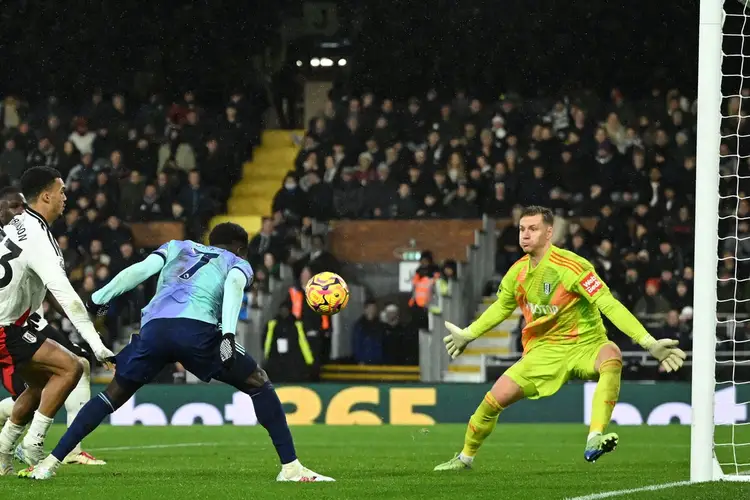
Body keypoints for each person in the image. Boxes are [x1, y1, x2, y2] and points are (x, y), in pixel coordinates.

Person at [20, 223, 334, 482]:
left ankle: (50, 462)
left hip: (155, 329)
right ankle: (291, 467)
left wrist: (101, 295)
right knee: (258, 383)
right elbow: (235, 288)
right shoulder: (237, 262)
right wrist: (226, 333)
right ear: (240, 247)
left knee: (110, 397)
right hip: (196, 331)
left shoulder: (177, 247)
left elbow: (141, 269)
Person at [433, 205, 686, 471]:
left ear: (549, 232)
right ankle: (465, 458)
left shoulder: (573, 267)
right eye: (521, 229)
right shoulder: (517, 272)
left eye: (533, 229)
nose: (524, 235)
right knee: (492, 401)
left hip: (585, 345)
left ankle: (594, 437)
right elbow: (501, 307)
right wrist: (468, 334)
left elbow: (608, 304)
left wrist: (648, 342)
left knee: (612, 356)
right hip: (542, 352)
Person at [0, 167, 113, 475]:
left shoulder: (17, 223)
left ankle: (2, 456)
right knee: (72, 367)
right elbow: (67, 297)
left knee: (38, 383)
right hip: (4, 327)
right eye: (61, 191)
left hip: (14, 321)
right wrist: (96, 342)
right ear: (46, 195)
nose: (66, 197)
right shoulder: (38, 237)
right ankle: (33, 444)